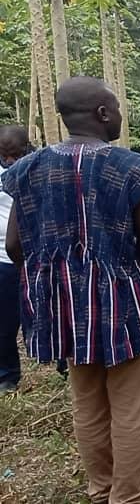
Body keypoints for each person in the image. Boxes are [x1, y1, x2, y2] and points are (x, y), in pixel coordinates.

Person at [3, 76, 140, 504]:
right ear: (103, 113)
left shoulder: (26, 169)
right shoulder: (131, 169)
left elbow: (15, 246)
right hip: (128, 308)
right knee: (130, 409)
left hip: (64, 309)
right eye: (117, 107)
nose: (120, 114)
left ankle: (101, 489)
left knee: (86, 401)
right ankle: (127, 498)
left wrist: (55, 284)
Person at [0, 126, 30, 394]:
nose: (9, 161)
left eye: (15, 154)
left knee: (52, 312)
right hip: (3, 260)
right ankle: (8, 375)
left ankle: (63, 363)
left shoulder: (35, 170)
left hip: (36, 257)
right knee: (5, 321)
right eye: (4, 154)